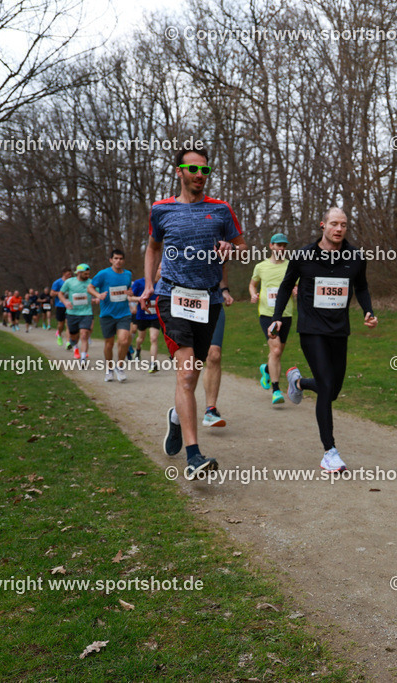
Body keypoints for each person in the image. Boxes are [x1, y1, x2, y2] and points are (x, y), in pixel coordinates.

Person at [138, 143, 247, 479]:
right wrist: (148, 285)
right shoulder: (161, 210)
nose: (200, 175)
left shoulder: (222, 210)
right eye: (193, 169)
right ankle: (194, 456)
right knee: (186, 373)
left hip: (209, 300)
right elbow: (152, 248)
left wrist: (232, 249)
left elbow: (243, 251)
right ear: (180, 172)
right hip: (172, 295)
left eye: (205, 170)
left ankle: (176, 417)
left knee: (194, 371)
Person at [269, 208, 377, 473]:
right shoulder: (303, 255)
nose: (339, 229)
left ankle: (299, 381)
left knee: (333, 390)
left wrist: (368, 310)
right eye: (334, 224)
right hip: (311, 328)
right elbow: (286, 285)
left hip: (339, 329)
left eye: (343, 225)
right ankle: (330, 452)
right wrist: (278, 317)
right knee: (327, 387)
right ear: (323, 225)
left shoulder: (354, 257)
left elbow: (361, 286)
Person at [251, 232, 295, 405]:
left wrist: (296, 289)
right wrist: (253, 294)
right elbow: (252, 284)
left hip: (286, 314)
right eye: (278, 245)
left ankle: (267, 369)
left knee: (278, 352)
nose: (281, 248)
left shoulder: (291, 266)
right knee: (275, 351)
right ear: (271, 246)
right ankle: (276, 390)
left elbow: (295, 284)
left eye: (284, 246)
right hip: (267, 314)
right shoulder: (261, 266)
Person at [89, 249, 135, 382]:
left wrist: (129, 293)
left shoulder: (128, 274)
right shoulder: (103, 274)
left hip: (123, 313)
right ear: (111, 260)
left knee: (124, 340)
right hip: (107, 314)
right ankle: (109, 369)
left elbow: (127, 289)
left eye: (121, 259)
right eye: (115, 258)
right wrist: (98, 295)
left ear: (123, 260)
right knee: (109, 344)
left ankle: (119, 366)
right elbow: (90, 287)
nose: (118, 261)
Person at [201, 265, 234, 427]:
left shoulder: (218, 243)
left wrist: (225, 290)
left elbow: (221, 269)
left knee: (214, 354)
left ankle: (210, 410)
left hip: (213, 302)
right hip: (186, 304)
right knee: (190, 358)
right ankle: (181, 408)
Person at [57, 264, 95, 362]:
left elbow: (97, 293)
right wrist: (65, 302)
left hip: (86, 312)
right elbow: (60, 293)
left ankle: (83, 357)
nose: (87, 276)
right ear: (78, 273)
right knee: (73, 336)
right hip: (72, 313)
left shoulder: (91, 282)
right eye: (85, 274)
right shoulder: (69, 282)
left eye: (88, 274)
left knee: (84, 334)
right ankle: (75, 347)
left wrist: (97, 298)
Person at [131, 276, 161, 372]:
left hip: (155, 316)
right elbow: (129, 297)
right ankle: (138, 349)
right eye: (159, 268)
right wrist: (140, 299)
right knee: (141, 339)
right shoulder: (139, 283)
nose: (160, 271)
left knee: (154, 338)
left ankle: (153, 363)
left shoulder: (163, 283)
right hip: (142, 315)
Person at [51, 268, 71, 346]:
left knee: (68, 324)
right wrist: (60, 293)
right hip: (60, 305)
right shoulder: (57, 282)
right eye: (68, 274)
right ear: (63, 273)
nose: (69, 275)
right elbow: (52, 293)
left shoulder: (71, 282)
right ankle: (59, 334)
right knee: (61, 324)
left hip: (69, 305)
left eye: (70, 274)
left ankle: (68, 342)